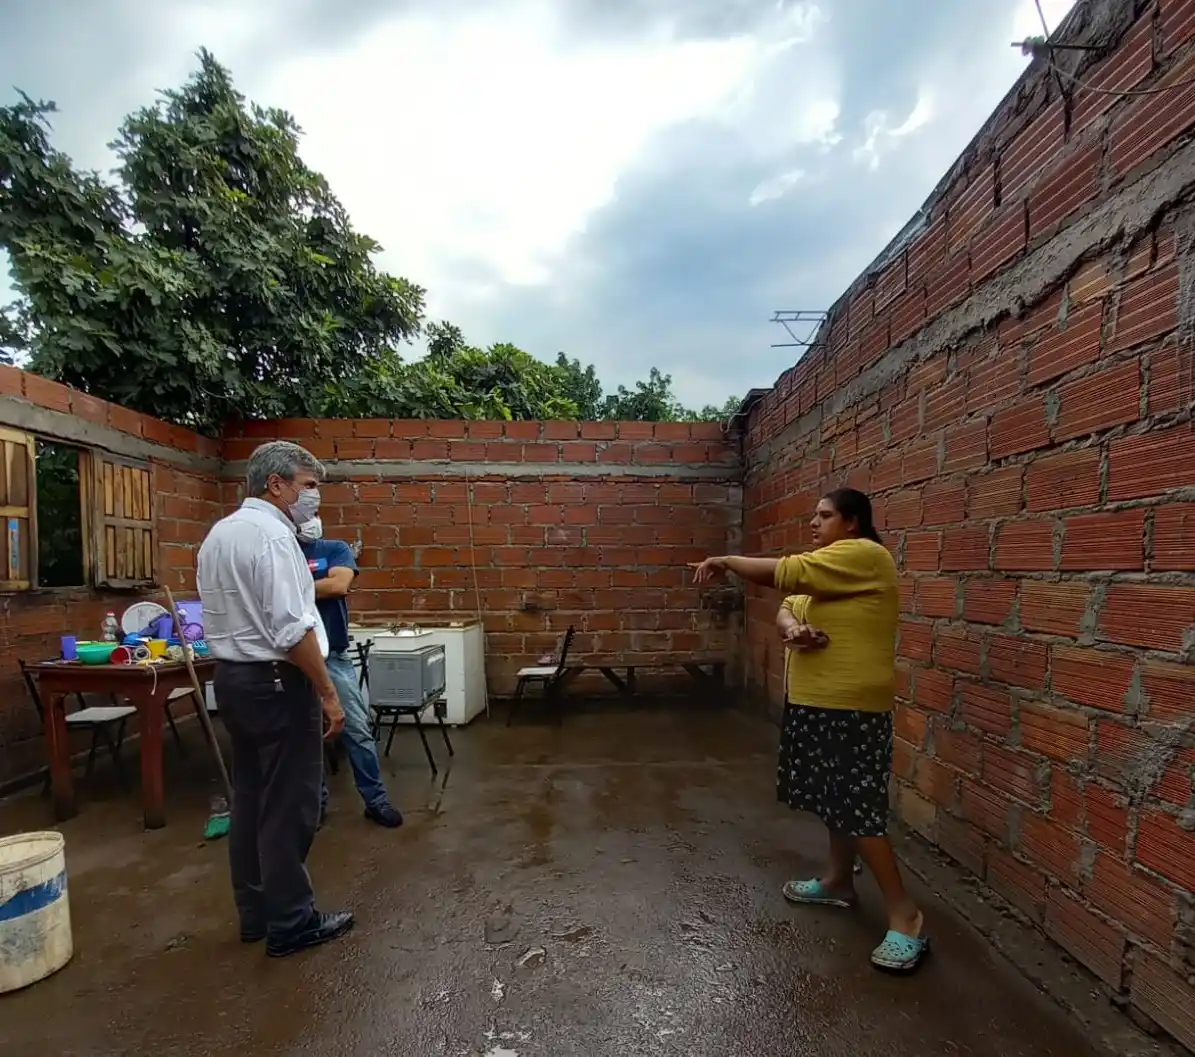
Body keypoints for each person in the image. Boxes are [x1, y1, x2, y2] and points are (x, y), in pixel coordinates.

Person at [690, 487, 927, 973]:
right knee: (830, 799)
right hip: (817, 704)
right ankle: (839, 881)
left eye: (824, 516)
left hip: (852, 708)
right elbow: (790, 603)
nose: (814, 524)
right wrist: (792, 629)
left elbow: (786, 574)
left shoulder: (864, 555)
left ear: (853, 522)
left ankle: (907, 918)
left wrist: (728, 559)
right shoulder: (831, 566)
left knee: (859, 810)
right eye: (814, 516)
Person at [197, 440, 353, 958]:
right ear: (276, 484)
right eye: (308, 486)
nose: (314, 498)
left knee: (251, 800)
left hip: (235, 681)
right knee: (291, 805)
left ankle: (256, 914)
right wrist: (329, 694)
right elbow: (291, 630)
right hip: (278, 684)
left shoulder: (220, 535)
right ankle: (292, 922)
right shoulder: (273, 538)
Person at [296, 516, 403, 828]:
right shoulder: (283, 551)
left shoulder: (334, 548)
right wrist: (315, 587)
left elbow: (339, 584)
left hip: (334, 657)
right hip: (295, 656)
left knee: (356, 729)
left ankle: (376, 801)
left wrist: (295, 590)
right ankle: (316, 805)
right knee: (306, 736)